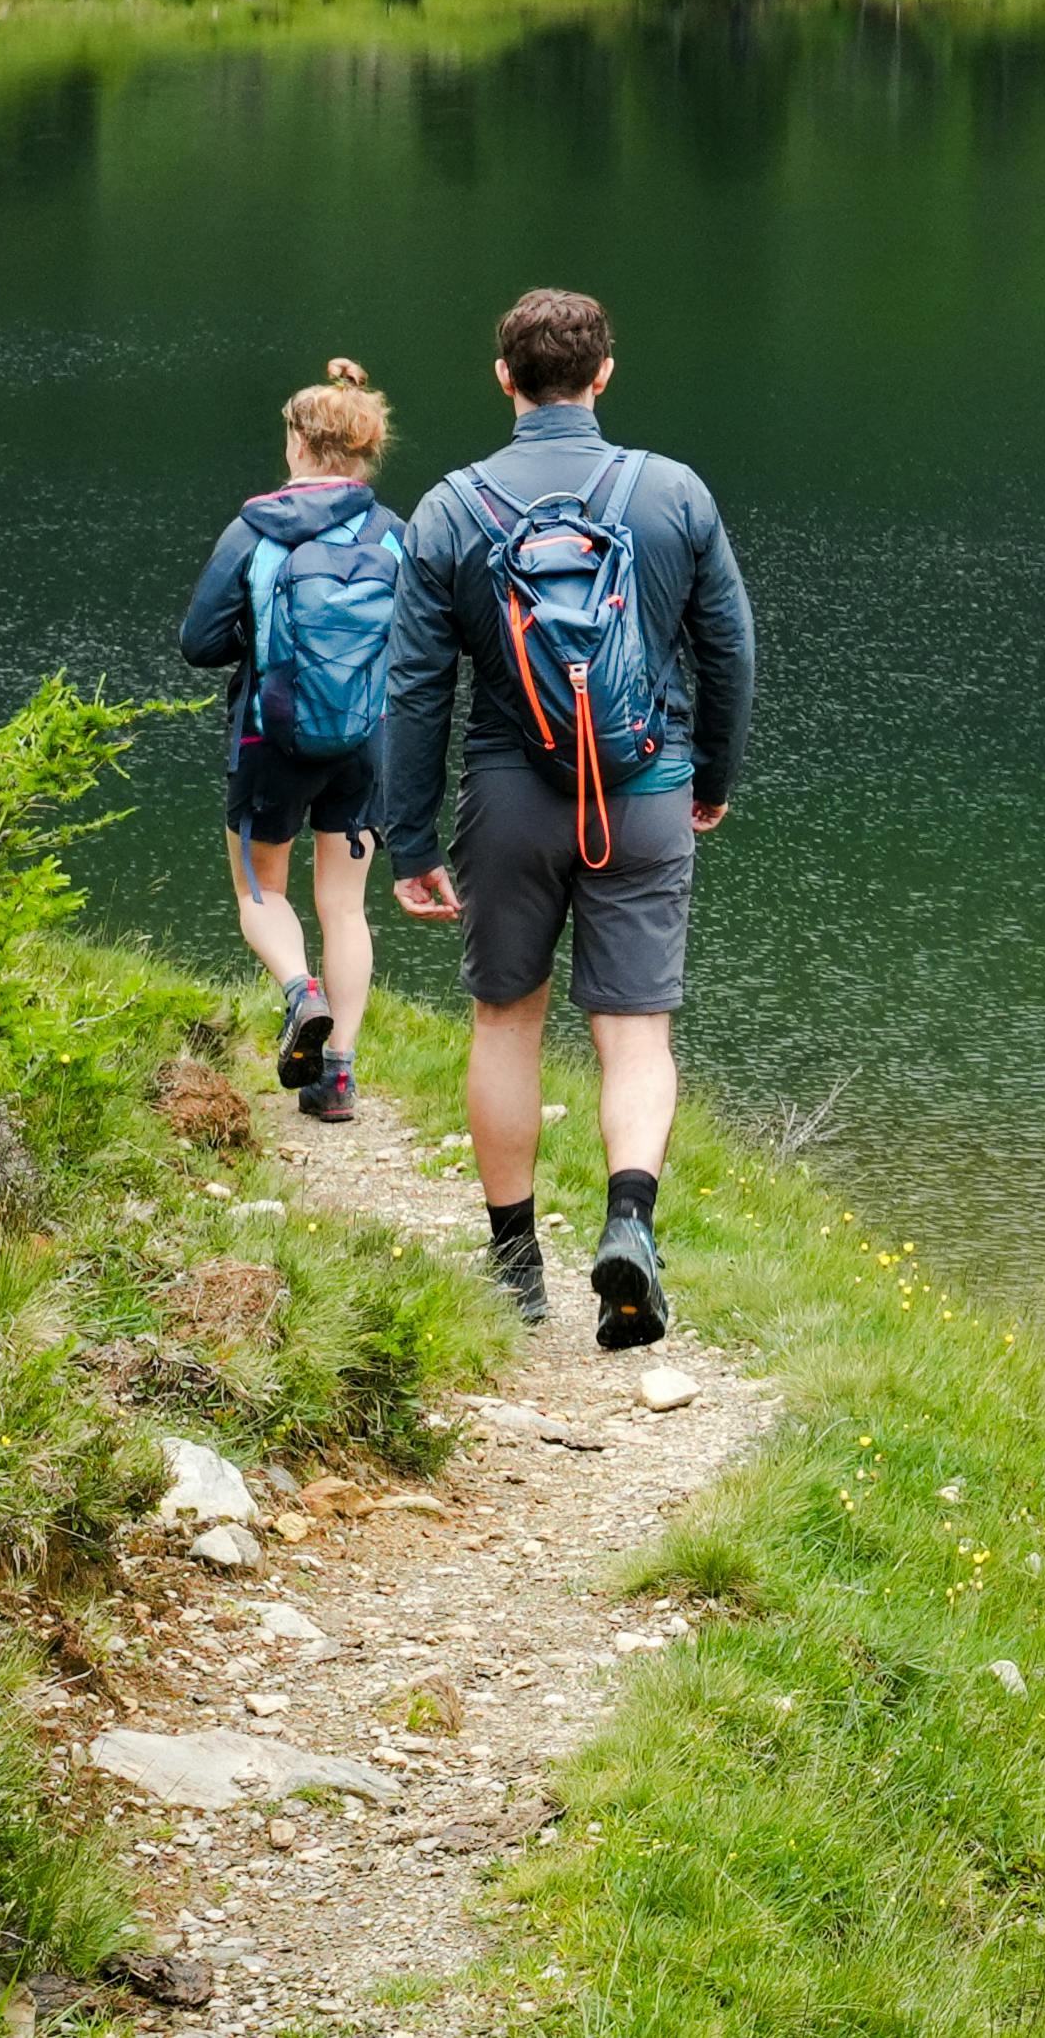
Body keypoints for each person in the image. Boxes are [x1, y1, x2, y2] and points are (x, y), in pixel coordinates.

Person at [380, 283, 753, 1339]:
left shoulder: (452, 507)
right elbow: (729, 649)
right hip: (644, 788)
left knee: (507, 1021)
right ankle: (627, 1223)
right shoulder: (672, 490)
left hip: (507, 795)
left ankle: (513, 1267)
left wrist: (409, 835)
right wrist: (710, 779)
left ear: (503, 378)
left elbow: (416, 685)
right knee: (634, 1033)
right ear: (603, 375)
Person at [172, 357, 410, 1125]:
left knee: (260, 889)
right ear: (364, 448)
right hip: (364, 742)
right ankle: (336, 1076)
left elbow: (198, 642)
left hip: (269, 740)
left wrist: (261, 637)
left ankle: (299, 991)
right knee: (345, 907)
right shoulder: (393, 534)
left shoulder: (256, 529)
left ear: (301, 446)